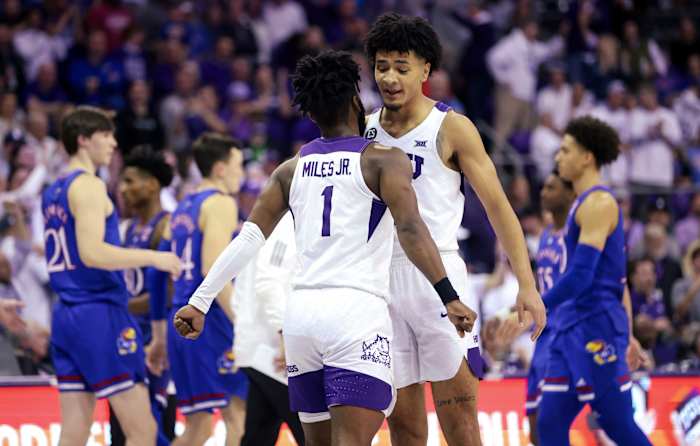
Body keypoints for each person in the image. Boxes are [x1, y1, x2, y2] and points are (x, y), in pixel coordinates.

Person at [172, 50, 477, 446]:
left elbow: (248, 239)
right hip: (354, 312)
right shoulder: (383, 161)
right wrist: (448, 295)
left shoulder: (290, 168)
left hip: (301, 317)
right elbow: (411, 229)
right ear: (356, 100)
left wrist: (200, 301)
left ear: (310, 114)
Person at [363, 13, 546, 446]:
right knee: (404, 430)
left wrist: (527, 283)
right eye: (381, 66)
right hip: (378, 283)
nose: (389, 77)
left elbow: (500, 209)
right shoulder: (363, 129)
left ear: (426, 70)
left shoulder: (451, 128)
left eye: (401, 68)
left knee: (461, 425)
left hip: (440, 282)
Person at [42, 106, 180, 446]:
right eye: (106, 136)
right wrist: (156, 257)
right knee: (142, 431)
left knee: (74, 429)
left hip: (65, 313)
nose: (114, 143)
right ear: (84, 140)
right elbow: (92, 253)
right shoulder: (88, 186)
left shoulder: (53, 190)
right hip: (98, 311)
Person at [537, 116, 651, 445]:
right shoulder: (581, 205)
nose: (558, 157)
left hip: (598, 325)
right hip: (571, 325)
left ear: (586, 157)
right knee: (549, 424)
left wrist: (537, 303)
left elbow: (583, 276)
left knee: (617, 424)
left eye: (565, 150)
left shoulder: (600, 203)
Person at [163, 133, 248, 446]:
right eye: (239, 165)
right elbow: (213, 269)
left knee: (198, 427)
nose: (242, 173)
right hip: (208, 320)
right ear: (221, 169)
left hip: (180, 316)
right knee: (236, 417)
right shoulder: (221, 202)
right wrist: (241, 320)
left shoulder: (184, 206)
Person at [111, 146, 175, 446]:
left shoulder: (166, 226)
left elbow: (169, 293)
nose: (122, 190)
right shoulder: (127, 229)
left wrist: (117, 304)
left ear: (151, 185)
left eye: (129, 182)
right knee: (125, 428)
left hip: (155, 339)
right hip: (128, 336)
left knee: (152, 424)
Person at [234, 213, 305, 446]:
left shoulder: (273, 220)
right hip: (274, 353)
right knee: (315, 436)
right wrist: (285, 335)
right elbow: (269, 282)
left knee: (258, 436)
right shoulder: (285, 223)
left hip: (261, 351)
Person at [526, 171, 575, 444]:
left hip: (564, 329)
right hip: (543, 329)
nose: (543, 192)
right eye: (543, 186)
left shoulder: (576, 235)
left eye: (551, 187)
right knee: (533, 417)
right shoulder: (545, 235)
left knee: (548, 417)